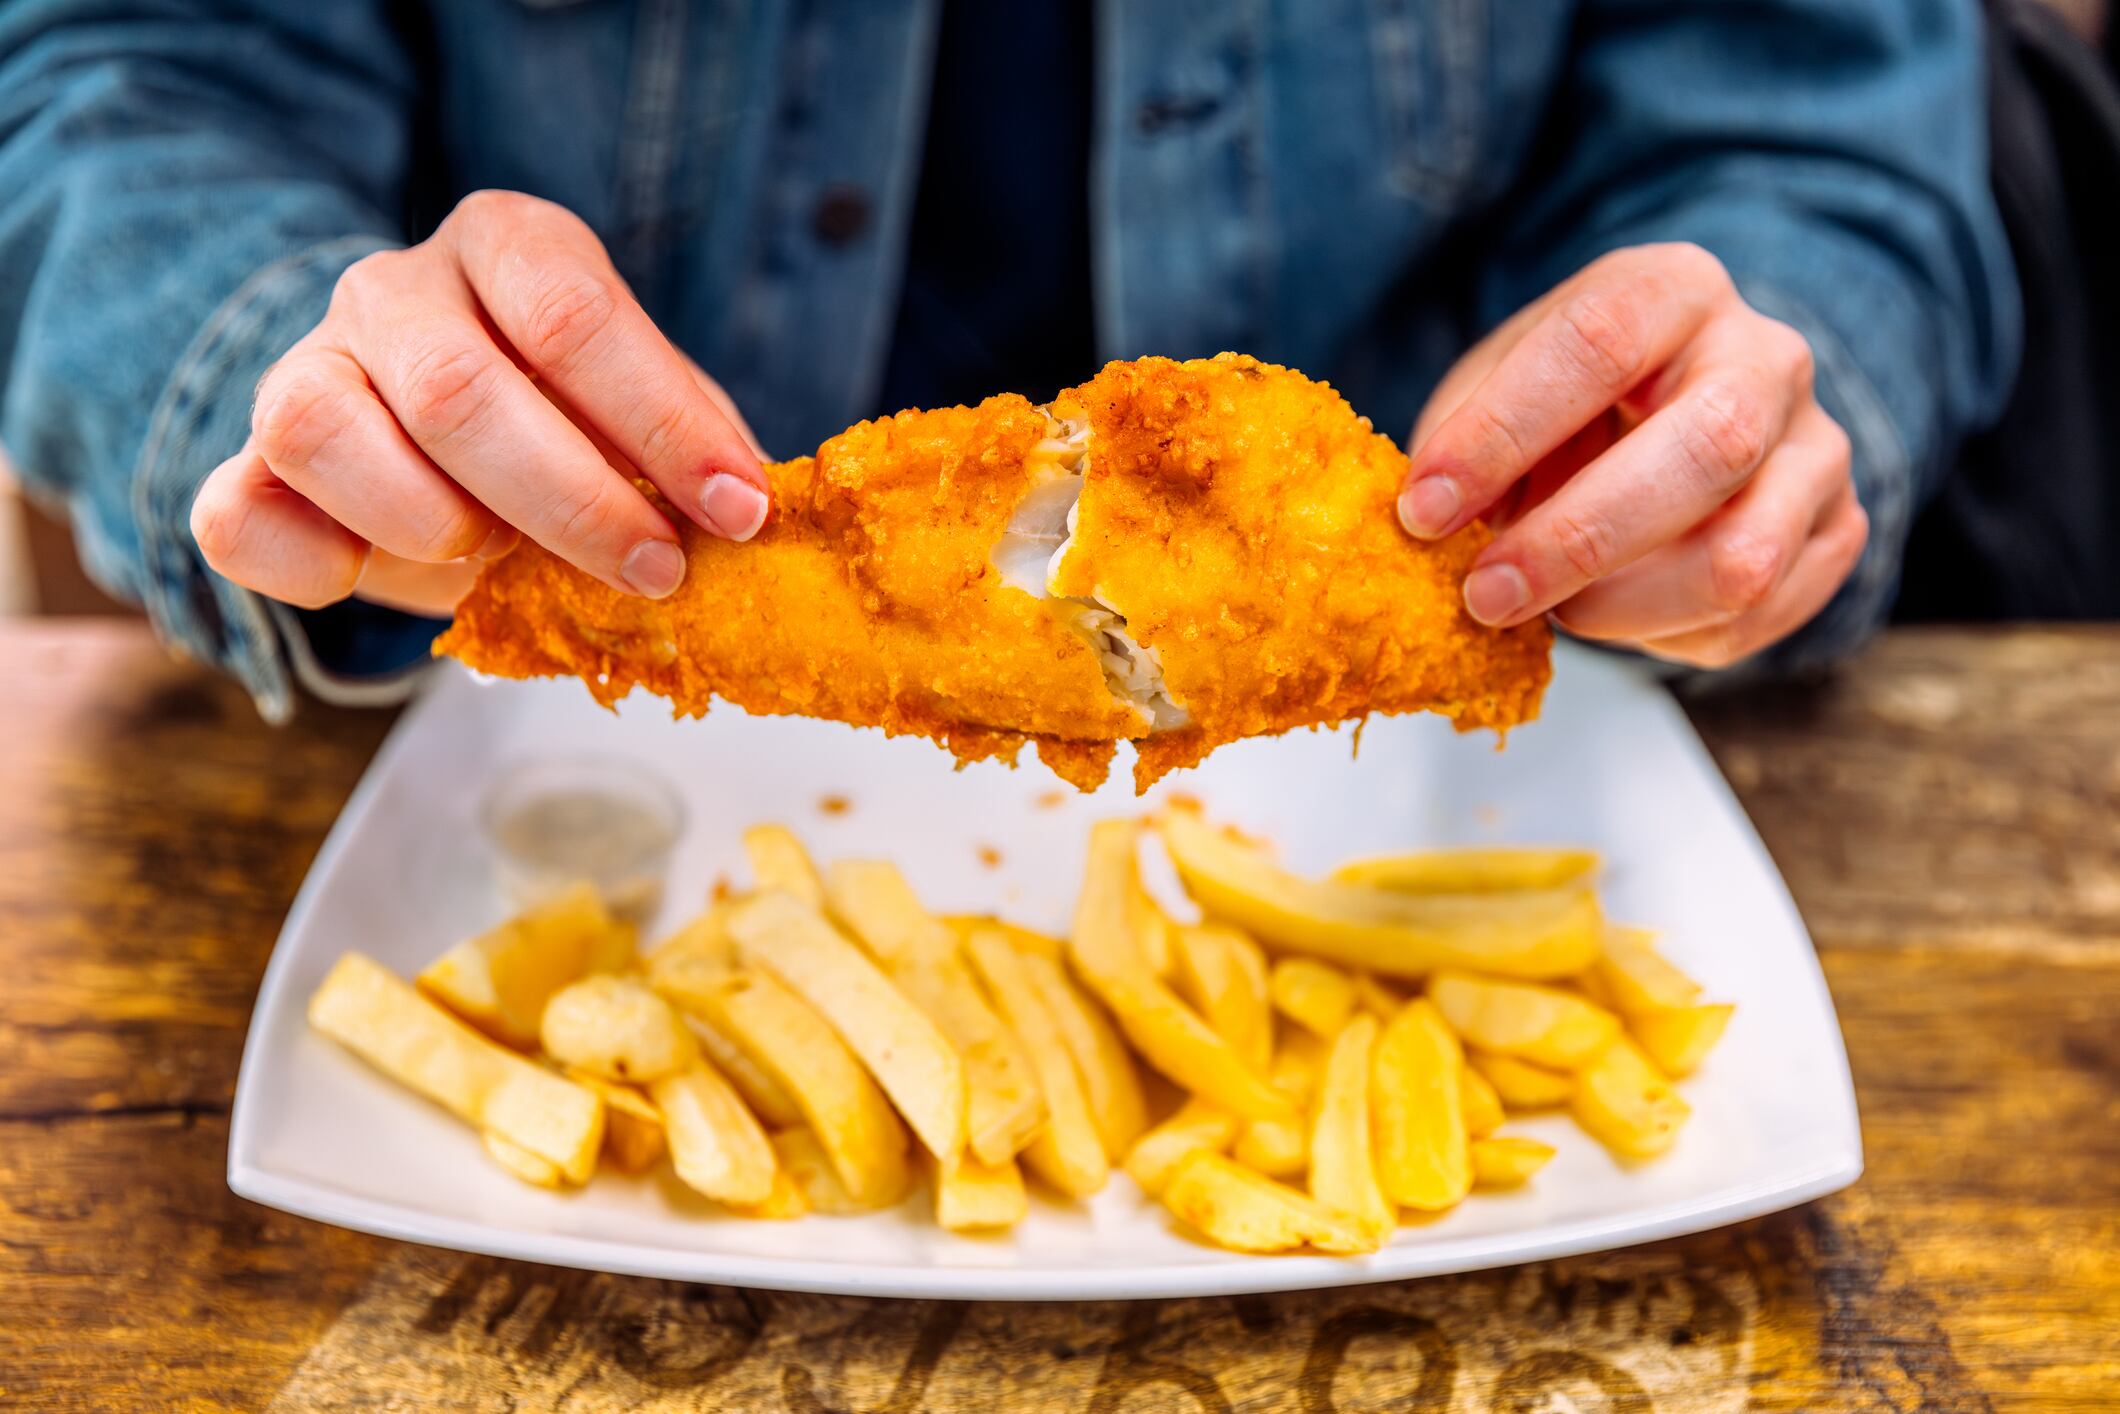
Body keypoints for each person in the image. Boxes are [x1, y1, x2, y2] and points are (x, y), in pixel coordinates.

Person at [0, 2, 2017, 722]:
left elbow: (1813, 126)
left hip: (1506, 715)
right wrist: (315, 369)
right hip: (507, 739)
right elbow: (125, 79)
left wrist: (1740, 400)